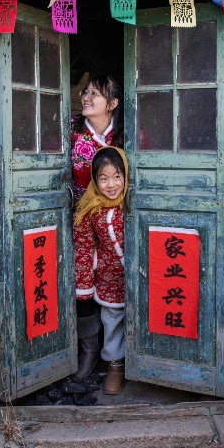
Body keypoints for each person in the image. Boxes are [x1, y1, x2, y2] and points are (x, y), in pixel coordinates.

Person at [72, 146, 128, 394]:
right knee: (113, 321)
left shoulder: (134, 202)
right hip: (110, 278)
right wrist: (84, 286)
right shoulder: (89, 210)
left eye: (117, 176)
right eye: (103, 178)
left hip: (141, 276)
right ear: (95, 180)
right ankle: (115, 365)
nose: (111, 184)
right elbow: (84, 249)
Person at [70, 75, 123, 205]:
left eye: (94, 93)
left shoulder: (126, 134)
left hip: (117, 214)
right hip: (79, 212)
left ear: (112, 103)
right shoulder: (69, 129)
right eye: (85, 92)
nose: (86, 98)